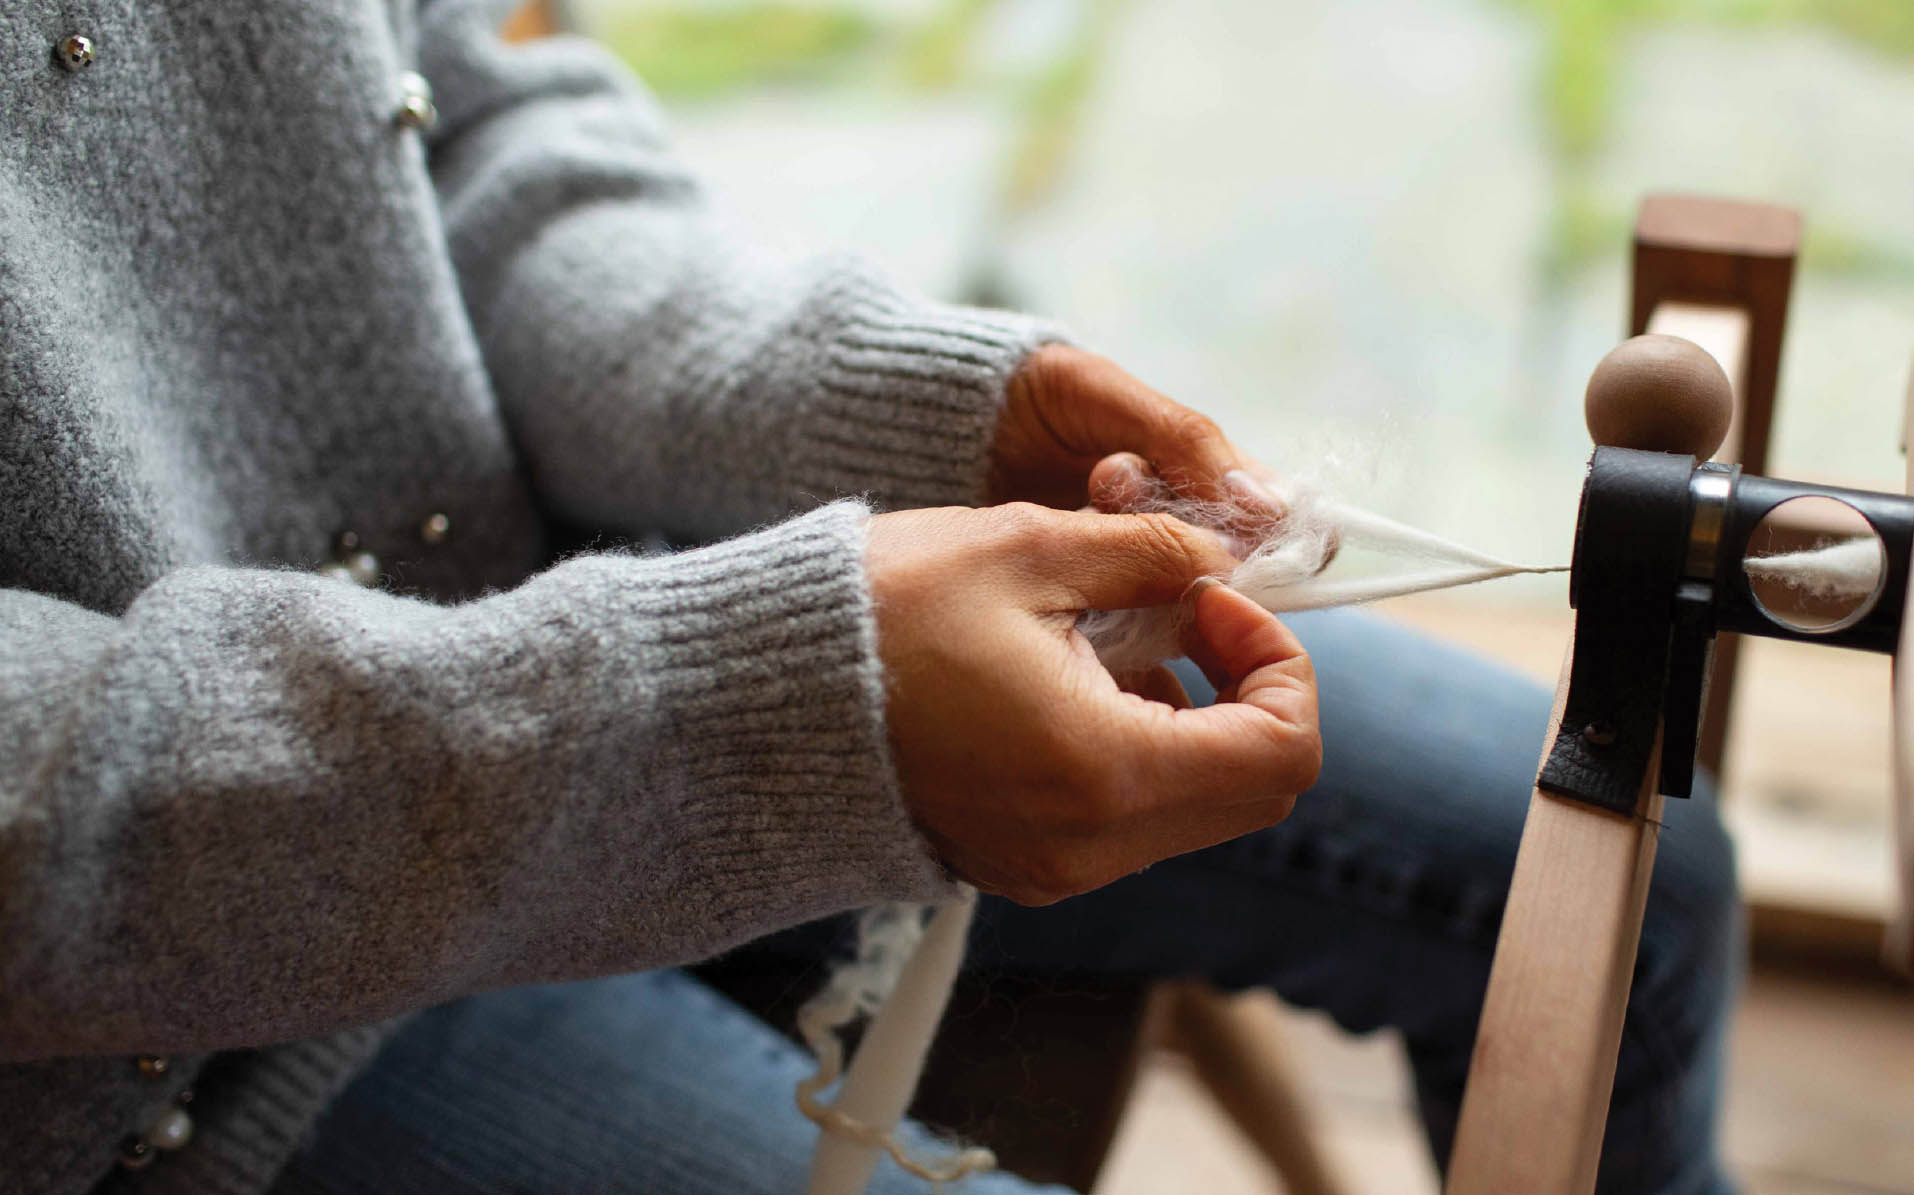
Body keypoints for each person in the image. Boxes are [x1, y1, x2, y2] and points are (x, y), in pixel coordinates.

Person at [0, 3, 1736, 1194]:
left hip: (610, 597)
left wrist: (911, 408)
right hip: (170, 1055)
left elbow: (495, 121)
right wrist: (755, 722)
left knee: (1646, 885)